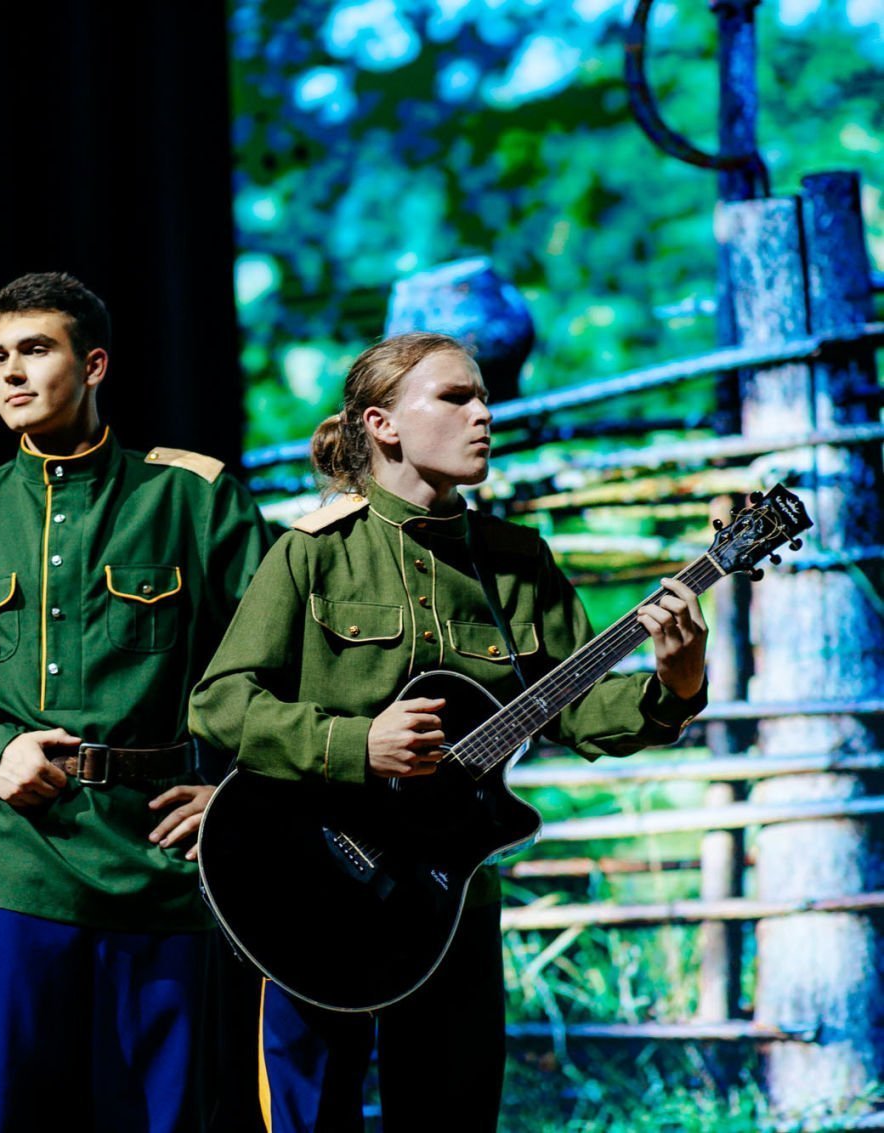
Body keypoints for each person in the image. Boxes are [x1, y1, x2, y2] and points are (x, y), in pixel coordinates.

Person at [188, 332, 710, 1132]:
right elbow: (222, 703)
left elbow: (572, 707)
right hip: (308, 889)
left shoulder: (519, 561)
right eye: (456, 398)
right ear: (383, 424)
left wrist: (675, 688)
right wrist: (356, 745)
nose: (483, 415)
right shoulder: (312, 553)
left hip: (449, 901)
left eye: (484, 398)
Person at [0, 272, 273, 1132]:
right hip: (9, 868)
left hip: (162, 871)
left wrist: (237, 791)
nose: (10, 372)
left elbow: (280, 668)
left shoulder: (193, 497)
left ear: (94, 364)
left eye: (35, 350)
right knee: (0, 1117)